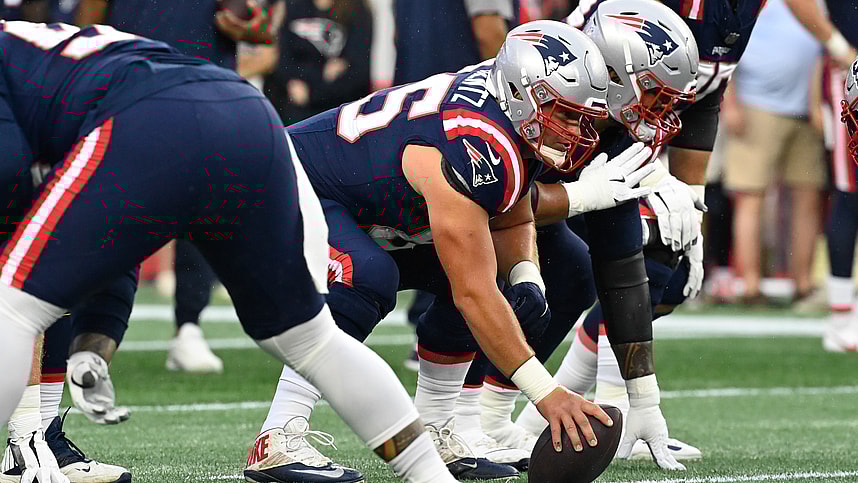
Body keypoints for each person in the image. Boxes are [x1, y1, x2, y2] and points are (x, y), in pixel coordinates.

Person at [0, 20, 459, 483]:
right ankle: (428, 475)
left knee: (13, 306)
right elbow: (114, 249)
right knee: (311, 341)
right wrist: (92, 348)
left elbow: (20, 215)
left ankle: (23, 451)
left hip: (150, 119)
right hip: (245, 112)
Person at [244, 20, 647, 482]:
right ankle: (278, 438)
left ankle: (435, 429)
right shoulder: (473, 141)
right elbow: (473, 293)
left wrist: (524, 275)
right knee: (370, 277)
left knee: (489, 275)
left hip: (367, 207)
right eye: (566, 114)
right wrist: (546, 392)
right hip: (291, 182)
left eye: (581, 117)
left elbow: (510, 205)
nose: (575, 130)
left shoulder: (515, 113)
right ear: (524, 93)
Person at [512, 0, 770, 464]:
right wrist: (653, 177)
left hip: (627, 135)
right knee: (601, 263)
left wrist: (690, 197)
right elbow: (595, 76)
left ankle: (566, 418)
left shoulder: (744, 9)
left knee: (663, 264)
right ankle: (490, 413)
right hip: (572, 130)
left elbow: (702, 95)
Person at [76, 0, 286, 374]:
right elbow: (87, 26)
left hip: (202, 89)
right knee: (113, 213)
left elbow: (262, 28)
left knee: (200, 213)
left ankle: (188, 326)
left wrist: (245, 24)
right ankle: (92, 330)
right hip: (132, 90)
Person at [722, 0, 823, 306]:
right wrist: (730, 101)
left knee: (809, 196)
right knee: (750, 197)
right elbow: (727, 40)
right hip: (756, 105)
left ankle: (803, 283)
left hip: (809, 107)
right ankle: (750, 284)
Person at [264, 0, 373, 126]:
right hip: (293, 105)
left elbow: (358, 74)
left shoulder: (356, 9)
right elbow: (281, 61)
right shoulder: (293, 5)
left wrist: (313, 93)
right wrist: (318, 74)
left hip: (337, 111)